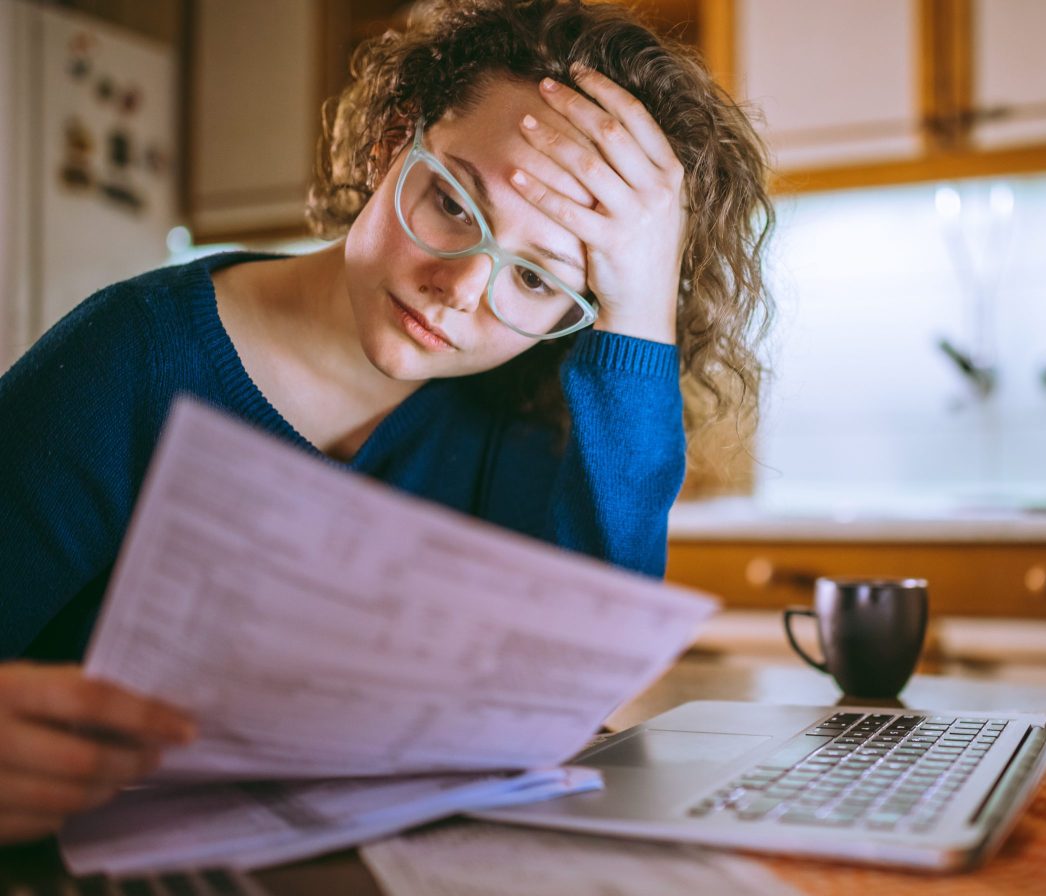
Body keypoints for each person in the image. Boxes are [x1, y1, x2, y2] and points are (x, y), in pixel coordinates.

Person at [0, 0, 772, 843]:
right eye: (450, 202)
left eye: (537, 281)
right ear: (388, 143)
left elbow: (571, 693)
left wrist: (642, 312)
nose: (461, 290)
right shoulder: (132, 357)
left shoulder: (522, 414)